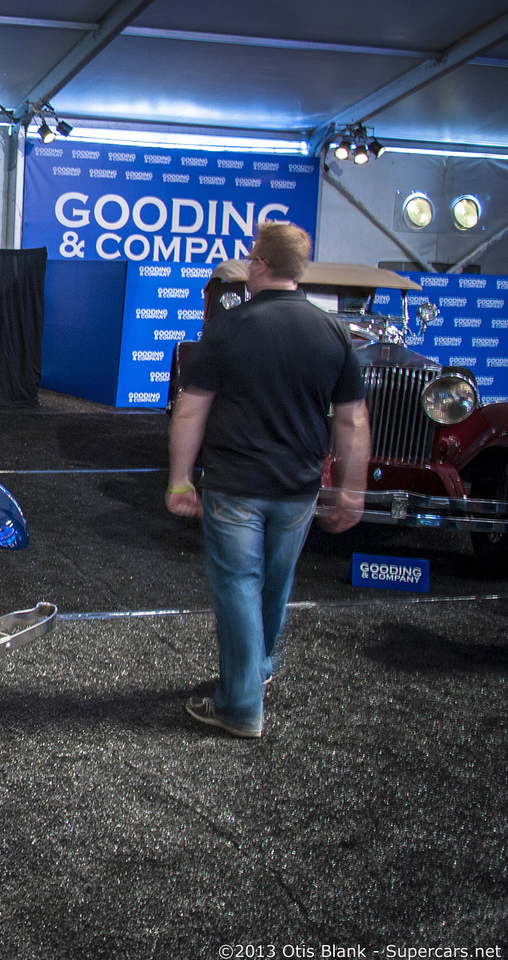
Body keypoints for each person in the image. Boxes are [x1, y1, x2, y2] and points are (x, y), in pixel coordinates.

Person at [166, 221, 370, 739]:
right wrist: (352, 490)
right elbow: (352, 421)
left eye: (251, 256)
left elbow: (191, 409)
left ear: (259, 265)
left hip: (236, 484)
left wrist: (180, 480)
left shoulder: (228, 328)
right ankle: (255, 673)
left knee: (238, 585)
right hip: (298, 489)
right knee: (274, 586)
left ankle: (239, 705)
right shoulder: (334, 332)